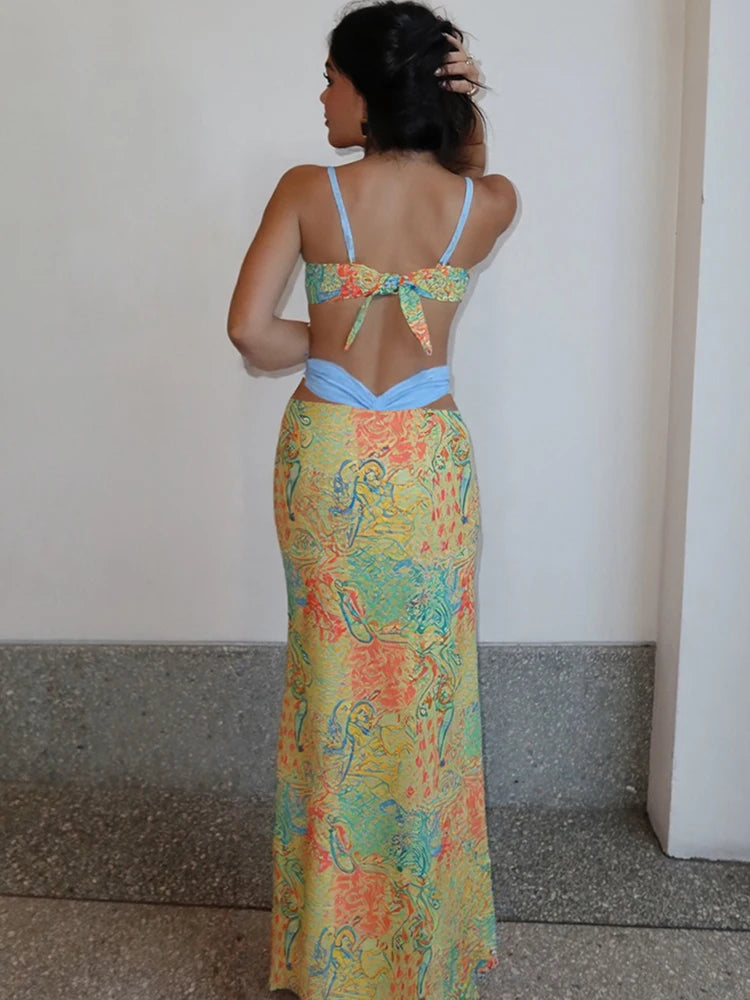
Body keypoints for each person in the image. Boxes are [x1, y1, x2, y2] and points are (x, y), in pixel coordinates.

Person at [227, 2, 517, 996]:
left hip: (329, 460)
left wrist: (332, 339)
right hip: (427, 467)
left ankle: (333, 959)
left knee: (333, 690)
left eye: (332, 79)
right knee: (429, 699)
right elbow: (471, 160)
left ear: (368, 91)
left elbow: (250, 332)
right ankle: (419, 958)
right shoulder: (486, 204)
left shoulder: (309, 191)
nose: (322, 98)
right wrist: (457, 106)